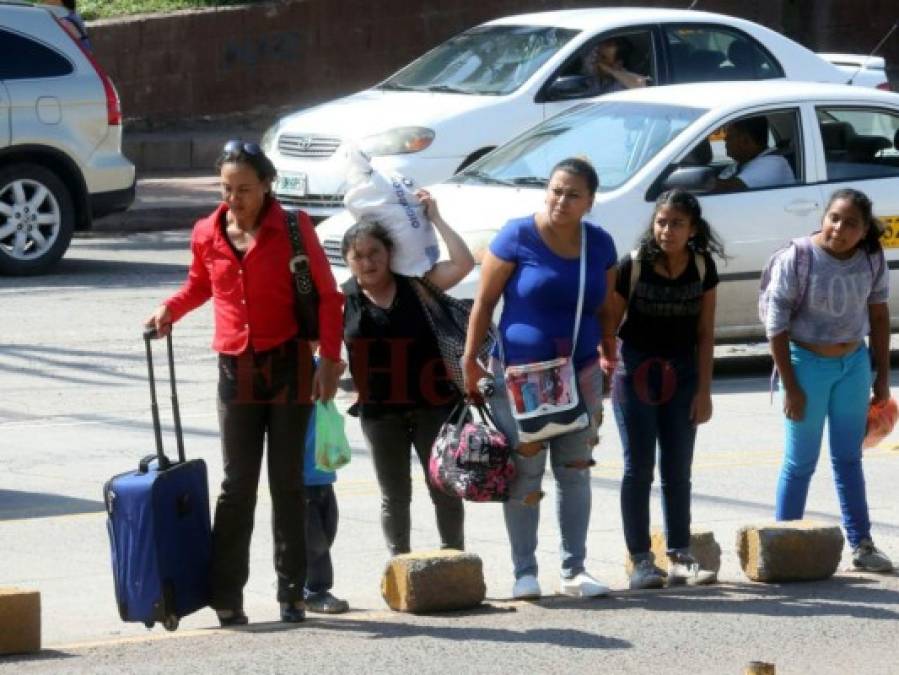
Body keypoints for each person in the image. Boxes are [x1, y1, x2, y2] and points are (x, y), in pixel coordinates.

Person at [145, 141, 345, 626]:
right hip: (236, 369)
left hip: (291, 364)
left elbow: (328, 298)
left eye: (245, 190)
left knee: (287, 482)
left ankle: (292, 593)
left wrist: (330, 362)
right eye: (226, 189)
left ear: (267, 185)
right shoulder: (207, 232)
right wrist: (170, 310)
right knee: (237, 486)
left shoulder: (294, 229)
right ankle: (226, 597)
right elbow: (199, 285)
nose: (234, 199)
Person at [462, 157, 617, 600]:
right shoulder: (516, 235)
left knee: (575, 471)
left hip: (580, 371)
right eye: (555, 190)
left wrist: (609, 349)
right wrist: (471, 360)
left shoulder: (599, 244)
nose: (560, 200)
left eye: (572, 194)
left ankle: (574, 569)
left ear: (590, 202)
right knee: (526, 472)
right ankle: (524, 572)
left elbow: (606, 304)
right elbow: (484, 302)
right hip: (520, 377)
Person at [600, 189, 725, 589]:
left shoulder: (703, 267)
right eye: (661, 222)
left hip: (683, 374)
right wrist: (606, 366)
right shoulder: (632, 266)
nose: (666, 230)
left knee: (677, 469)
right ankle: (640, 560)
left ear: (692, 229)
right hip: (636, 372)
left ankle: (680, 555)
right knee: (639, 468)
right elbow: (609, 326)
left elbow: (706, 334)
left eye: (676, 224)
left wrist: (704, 391)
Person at [764, 188, 893, 573]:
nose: (839, 228)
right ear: (825, 216)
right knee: (800, 462)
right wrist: (791, 385)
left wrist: (882, 377)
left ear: (864, 229)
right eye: (834, 217)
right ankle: (782, 543)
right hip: (806, 365)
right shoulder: (798, 257)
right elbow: (776, 324)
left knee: (848, 459)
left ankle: (862, 544)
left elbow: (881, 317)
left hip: (852, 365)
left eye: (851, 223)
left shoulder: (871, 258)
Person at [341, 190, 474, 557]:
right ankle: (399, 564)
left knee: (444, 488)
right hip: (380, 414)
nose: (368, 262)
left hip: (434, 405)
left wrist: (436, 218)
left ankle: (454, 559)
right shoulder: (343, 300)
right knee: (394, 496)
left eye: (375, 254)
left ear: (390, 255)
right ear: (349, 262)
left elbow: (463, 263)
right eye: (359, 257)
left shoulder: (417, 287)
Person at [302, 399, 349, 614]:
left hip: (324, 474)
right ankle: (315, 590)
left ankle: (300, 579)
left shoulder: (320, 369)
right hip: (303, 478)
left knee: (328, 530)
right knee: (315, 541)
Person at [714, 116, 794, 192]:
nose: (725, 139)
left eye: (730, 136)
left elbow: (728, 188)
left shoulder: (774, 164)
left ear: (746, 140)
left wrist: (703, 182)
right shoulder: (742, 162)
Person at [583, 37, 648, 96]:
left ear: (618, 63)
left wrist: (610, 70)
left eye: (603, 57)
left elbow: (641, 86)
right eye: (598, 54)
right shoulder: (598, 77)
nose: (597, 60)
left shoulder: (623, 84)